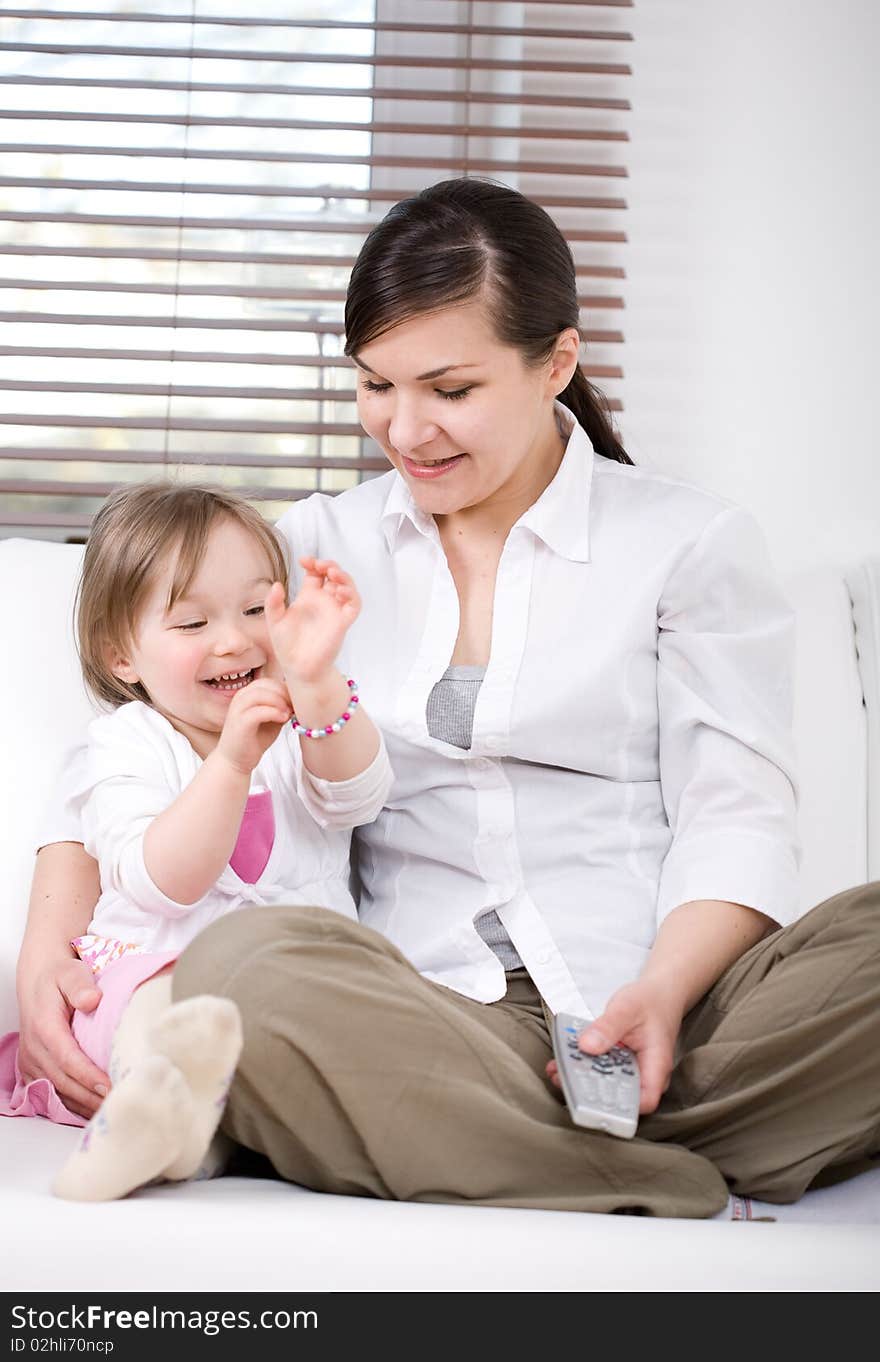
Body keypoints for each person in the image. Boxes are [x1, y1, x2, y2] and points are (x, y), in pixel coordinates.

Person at [13, 179, 880, 1218]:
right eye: (375, 384)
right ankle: (645, 1166)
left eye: (449, 389)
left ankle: (527, 1140)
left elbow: (735, 809)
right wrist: (41, 956)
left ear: (554, 363)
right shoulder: (312, 549)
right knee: (240, 970)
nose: (404, 427)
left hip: (671, 995)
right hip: (421, 1013)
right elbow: (150, 740)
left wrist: (659, 994)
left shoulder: (684, 542)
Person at [2, 482, 392, 1201]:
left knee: (344, 1022)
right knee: (160, 1003)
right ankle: (154, 1110)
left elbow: (358, 795)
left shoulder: (297, 721)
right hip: (147, 987)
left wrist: (318, 681)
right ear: (122, 656)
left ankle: (187, 1141)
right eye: (191, 623)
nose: (234, 639)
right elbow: (161, 880)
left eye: (255, 609)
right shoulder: (123, 745)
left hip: (285, 997)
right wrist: (231, 765)